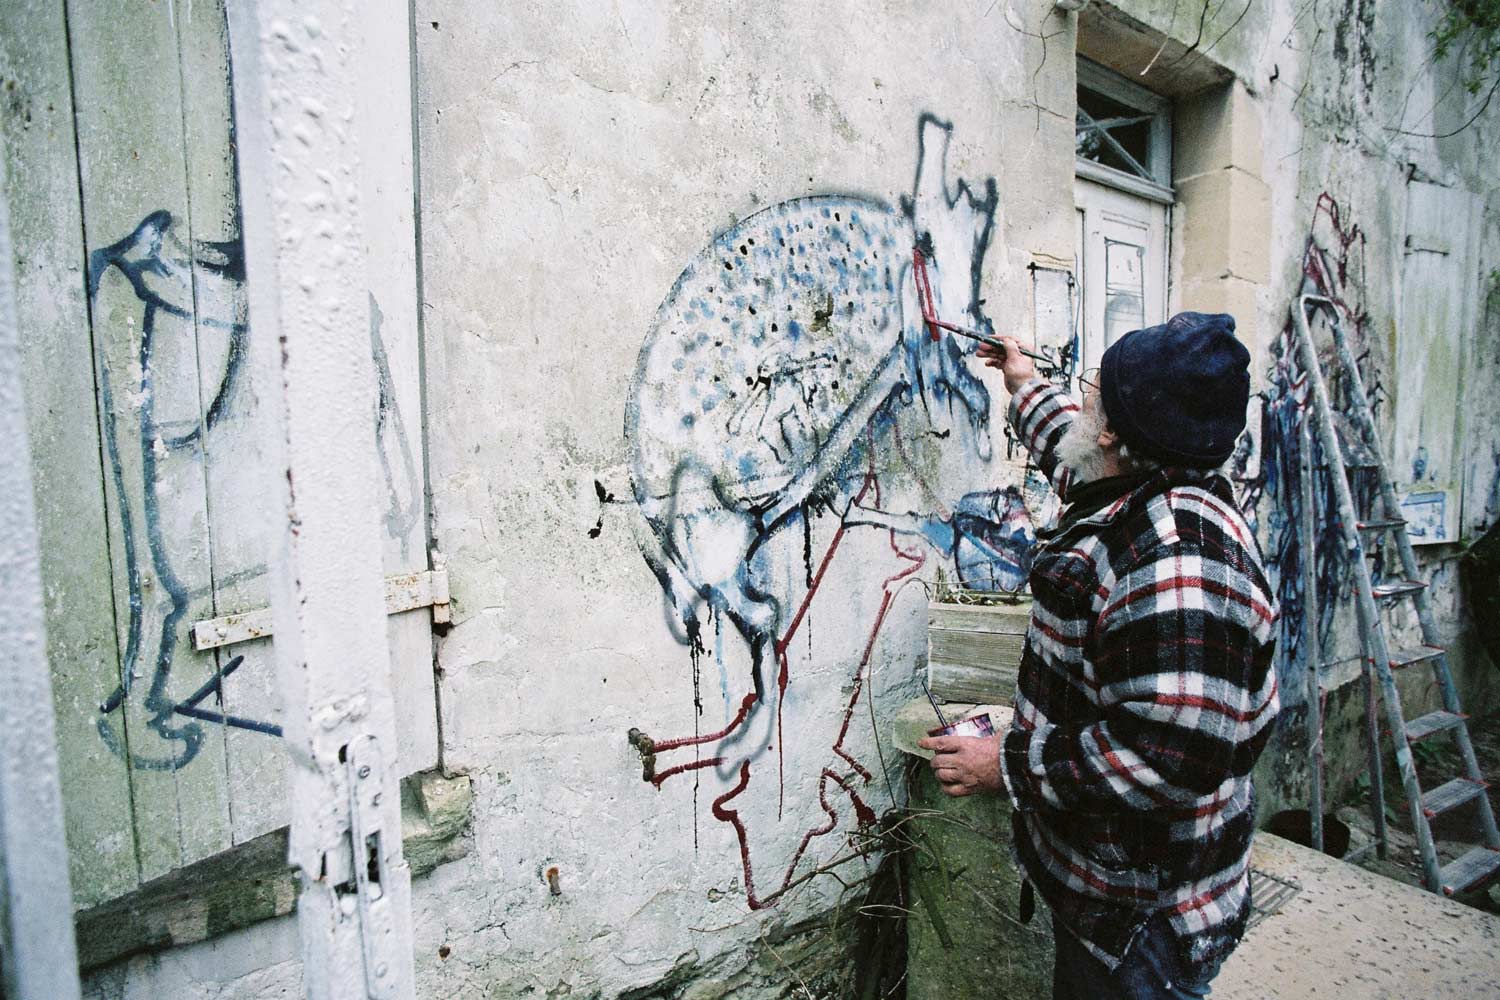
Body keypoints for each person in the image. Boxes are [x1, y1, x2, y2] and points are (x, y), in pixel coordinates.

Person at [918, 313, 1280, 1000]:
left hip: (1142, 923)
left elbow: (1166, 756)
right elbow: (1074, 453)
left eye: (1094, 390)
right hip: (1113, 893)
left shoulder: (1179, 567)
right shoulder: (1140, 483)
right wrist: (1022, 379)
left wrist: (1007, 765)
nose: (1082, 399)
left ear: (1115, 431)